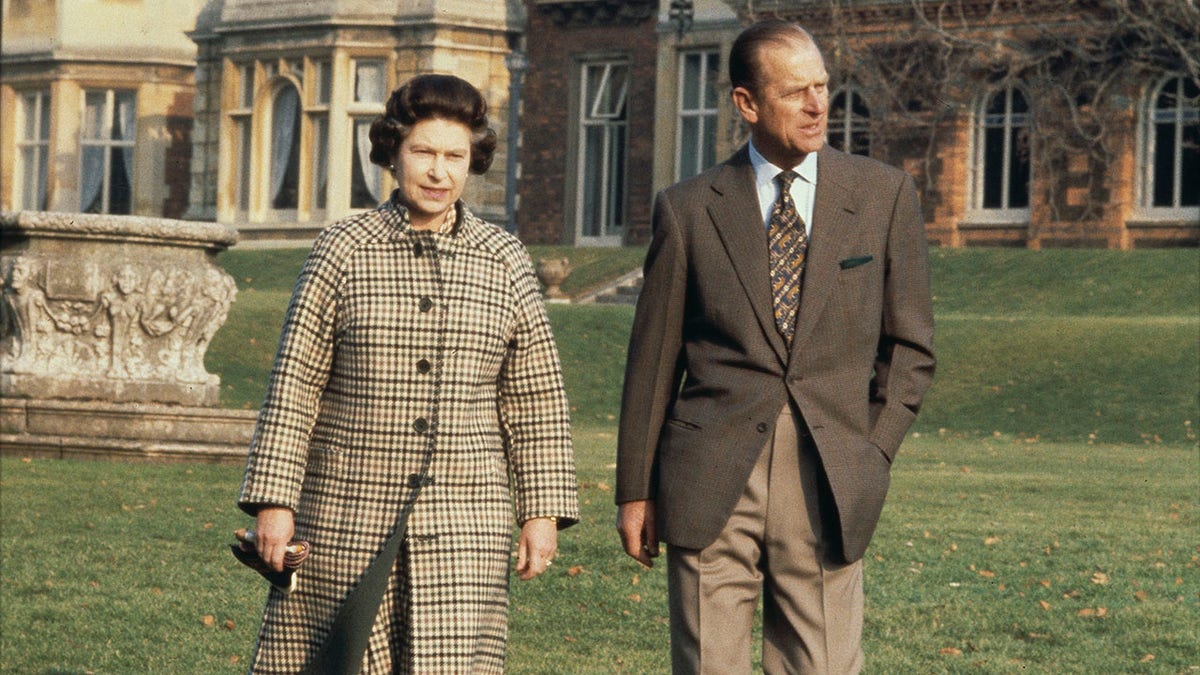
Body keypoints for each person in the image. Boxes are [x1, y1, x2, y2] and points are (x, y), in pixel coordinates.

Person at [616, 19, 936, 674]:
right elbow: (653, 360)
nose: (819, 105)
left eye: (822, 86)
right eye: (796, 92)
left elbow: (911, 347)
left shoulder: (884, 196)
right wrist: (634, 488)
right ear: (747, 103)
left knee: (821, 664)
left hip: (829, 474)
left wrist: (871, 450)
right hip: (708, 474)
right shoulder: (687, 209)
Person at [238, 73, 579, 674]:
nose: (438, 171)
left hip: (465, 519)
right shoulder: (343, 248)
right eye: (423, 152)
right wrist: (274, 504)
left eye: (455, 156)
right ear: (393, 152)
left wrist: (541, 512)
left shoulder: (504, 259)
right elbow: (294, 384)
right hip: (345, 513)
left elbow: (536, 397)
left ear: (473, 162)